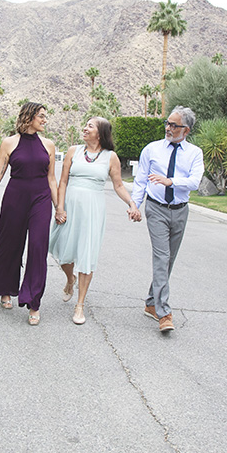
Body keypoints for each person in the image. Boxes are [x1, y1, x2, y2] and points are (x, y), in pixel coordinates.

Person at [49, 117, 141, 325]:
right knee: (61, 249)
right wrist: (59, 207)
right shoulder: (73, 151)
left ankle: (79, 304)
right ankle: (70, 279)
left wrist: (132, 204)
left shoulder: (111, 157)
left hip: (93, 210)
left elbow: (118, 186)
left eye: (90, 126)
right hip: (70, 207)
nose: (84, 128)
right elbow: (62, 182)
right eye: (85, 124)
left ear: (100, 134)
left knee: (87, 254)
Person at [0, 102, 58, 325]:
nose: (45, 120)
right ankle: (6, 289)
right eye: (41, 116)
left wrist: (59, 207)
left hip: (40, 199)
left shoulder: (48, 145)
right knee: (9, 244)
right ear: (29, 117)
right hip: (15, 197)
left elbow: (51, 179)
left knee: (38, 247)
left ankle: (33, 301)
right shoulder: (9, 143)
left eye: (45, 116)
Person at [131, 106, 203, 332]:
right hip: (156, 209)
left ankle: (151, 303)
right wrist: (135, 205)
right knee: (162, 257)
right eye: (167, 123)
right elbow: (141, 180)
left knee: (169, 259)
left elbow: (194, 182)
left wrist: (171, 181)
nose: (168, 128)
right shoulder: (152, 150)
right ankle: (164, 312)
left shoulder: (194, 153)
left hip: (180, 210)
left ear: (186, 130)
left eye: (174, 125)